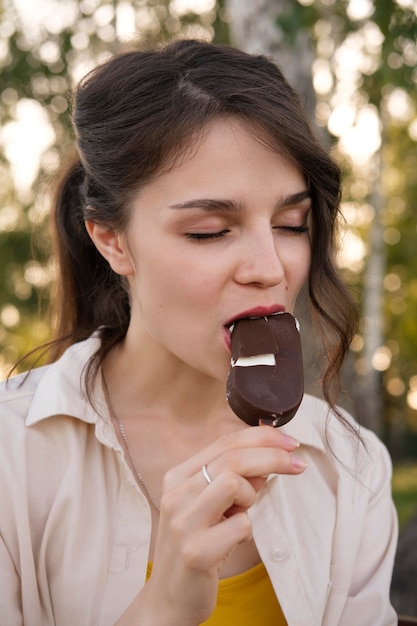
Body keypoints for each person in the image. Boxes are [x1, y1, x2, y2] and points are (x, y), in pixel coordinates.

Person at [0, 39, 397, 626]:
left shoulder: (351, 466)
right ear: (112, 240)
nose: (270, 266)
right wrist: (161, 610)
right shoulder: (13, 458)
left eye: (291, 224)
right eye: (210, 230)